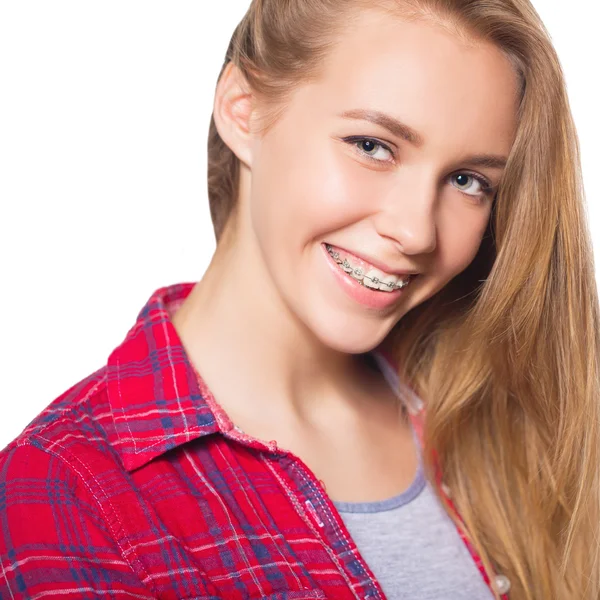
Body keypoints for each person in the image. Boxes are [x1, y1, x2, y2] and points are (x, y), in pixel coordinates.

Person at [1, 0, 598, 598]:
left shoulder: (497, 420)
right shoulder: (65, 487)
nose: (417, 231)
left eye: (469, 181)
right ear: (245, 111)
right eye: (372, 146)